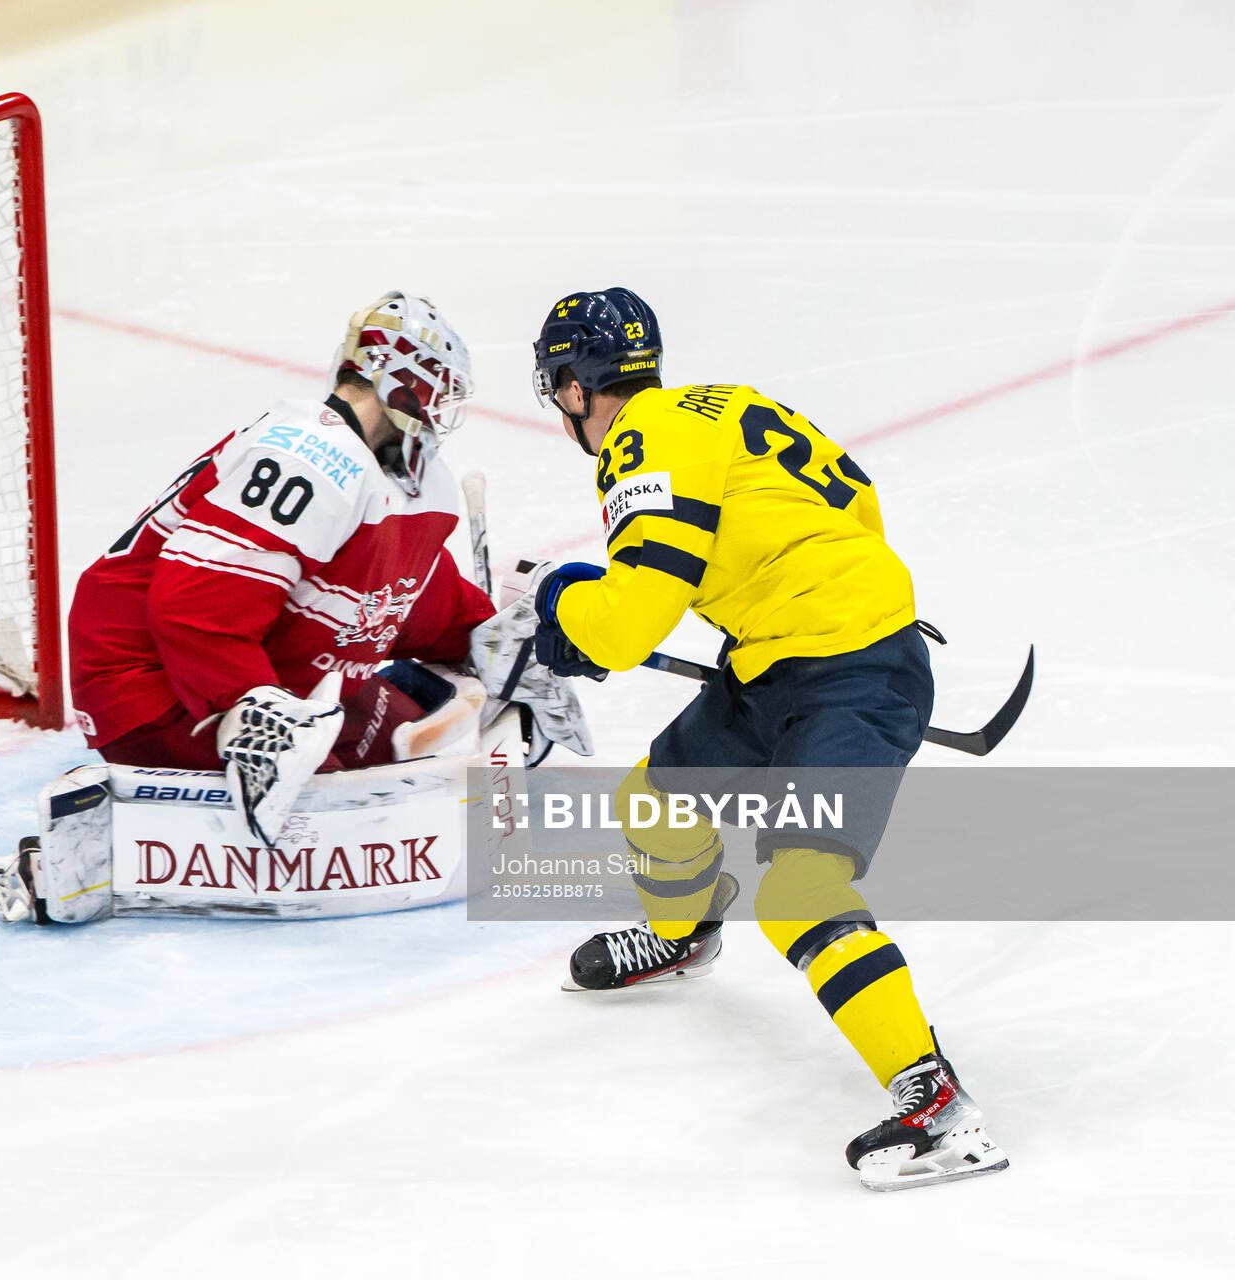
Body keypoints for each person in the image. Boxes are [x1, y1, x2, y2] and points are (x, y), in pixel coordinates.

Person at [525, 287, 1007, 1191]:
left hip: (849, 677)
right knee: (654, 802)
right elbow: (851, 507)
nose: (561, 410)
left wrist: (563, 607)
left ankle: (937, 1106)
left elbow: (624, 628)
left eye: (559, 390)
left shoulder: (639, 439)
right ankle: (680, 935)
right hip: (793, 660)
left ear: (578, 385)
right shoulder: (732, 404)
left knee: (799, 887)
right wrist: (785, 616)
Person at [68, 292, 587, 842]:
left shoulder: (382, 473)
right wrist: (249, 709)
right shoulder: (310, 455)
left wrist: (486, 639)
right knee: (348, 812)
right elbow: (193, 605)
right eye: (438, 393)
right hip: (148, 681)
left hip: (254, 664)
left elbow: (400, 593)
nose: (440, 415)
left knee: (414, 731)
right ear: (405, 384)